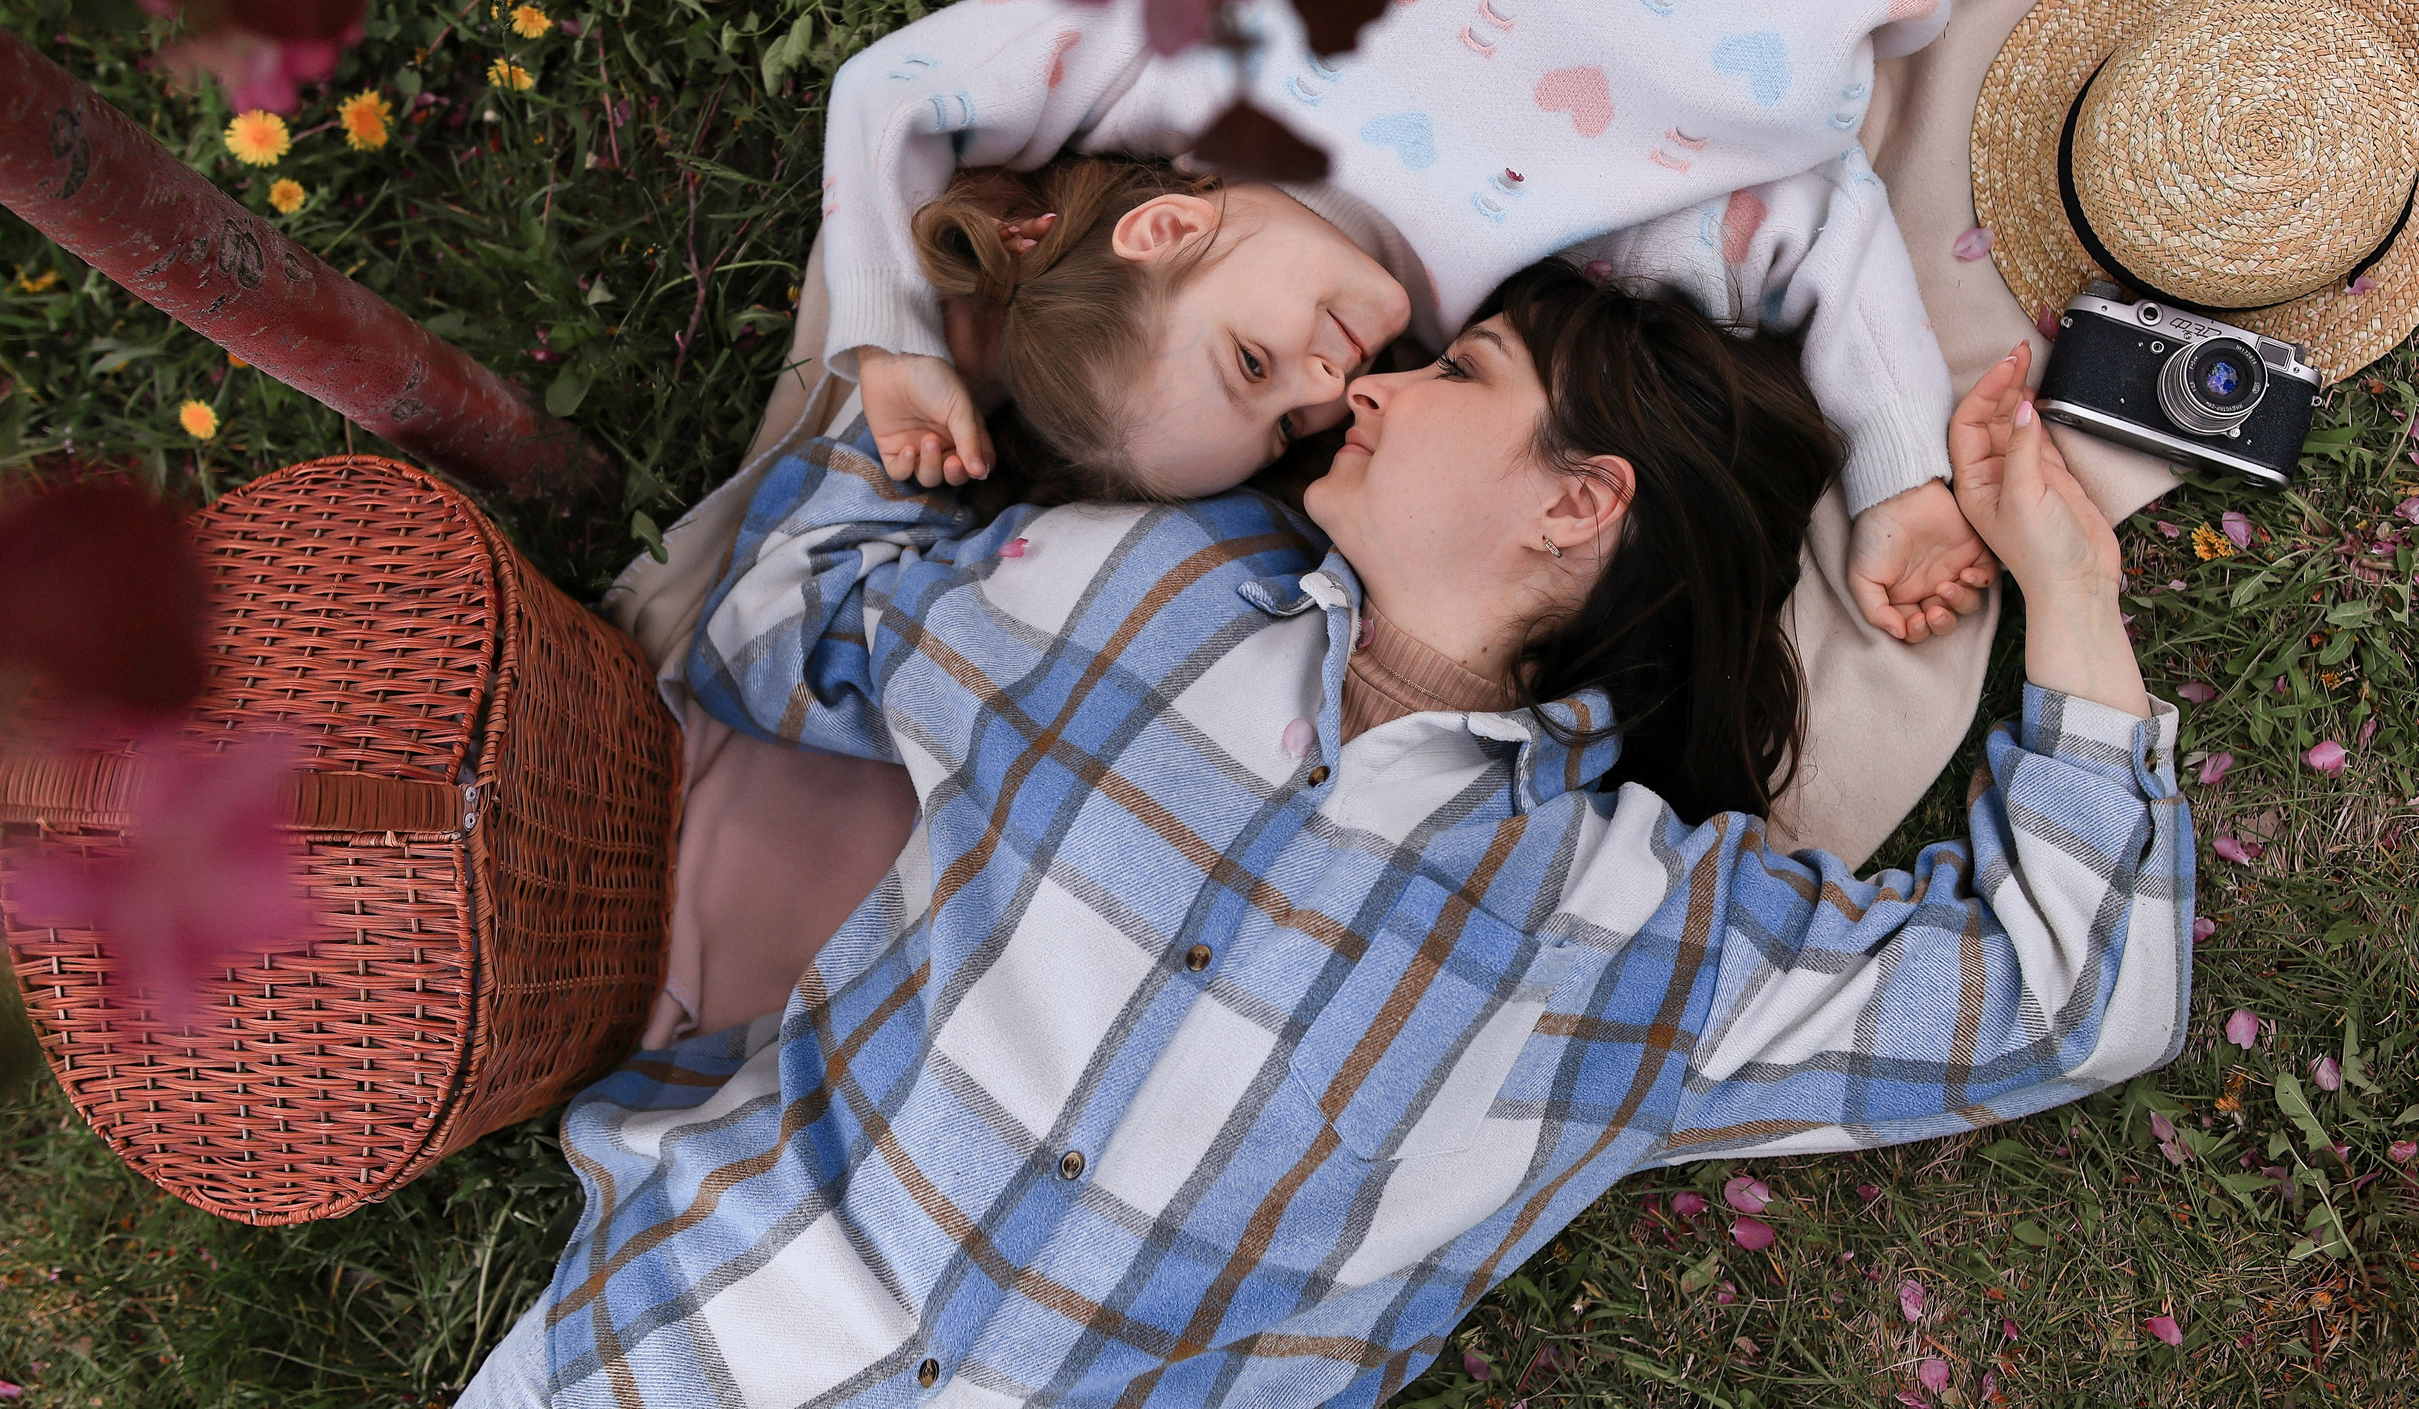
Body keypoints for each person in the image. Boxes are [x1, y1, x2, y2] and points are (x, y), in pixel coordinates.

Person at [458, 262, 2191, 1409]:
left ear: (1581, 502)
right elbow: (791, 616)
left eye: (1462, 370)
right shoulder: (1146, 580)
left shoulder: (1642, 923)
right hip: (691, 1332)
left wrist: (2066, 576)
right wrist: (917, 381)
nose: (1379, 380)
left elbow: (2079, 996)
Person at [822, 0, 2003, 644]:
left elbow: (901, 87)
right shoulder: (1530, 274)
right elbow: (1818, 231)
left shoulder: (1191, 68)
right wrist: (1897, 479)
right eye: (1292, 426)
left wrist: (893, 340)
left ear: (1165, 230)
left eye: (1251, 360)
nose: (1325, 382)